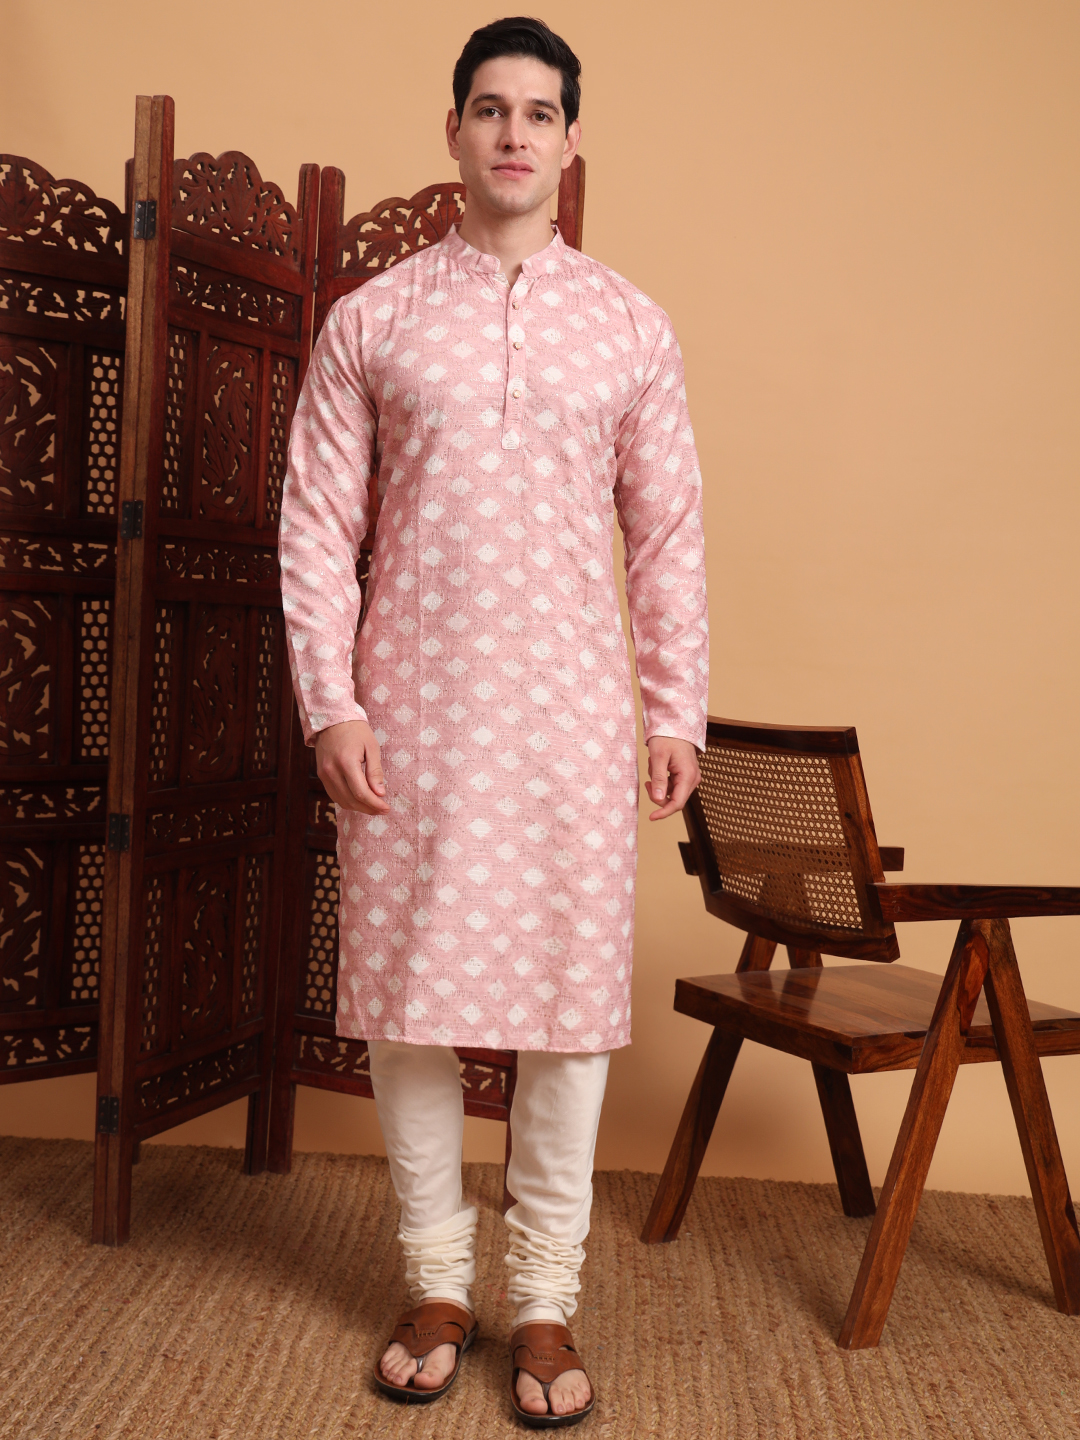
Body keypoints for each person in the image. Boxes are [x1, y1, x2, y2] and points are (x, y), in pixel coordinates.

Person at [279, 15, 708, 1427]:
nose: (514, 133)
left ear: (570, 143)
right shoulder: (375, 318)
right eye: (490, 108)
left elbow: (667, 536)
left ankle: (541, 1299)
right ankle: (434, 1283)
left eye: (540, 112)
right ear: (454, 132)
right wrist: (330, 703)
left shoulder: (629, 325)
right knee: (410, 1005)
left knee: (569, 1017)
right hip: (407, 713)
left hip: (571, 719)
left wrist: (674, 709)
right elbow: (317, 522)